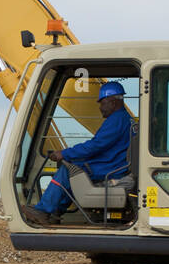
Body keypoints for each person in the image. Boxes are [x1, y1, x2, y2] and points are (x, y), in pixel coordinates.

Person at [22, 81, 132, 225]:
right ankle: (55, 212)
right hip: (114, 164)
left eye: (102, 103)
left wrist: (64, 154)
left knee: (68, 171)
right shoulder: (125, 119)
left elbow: (95, 146)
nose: (100, 107)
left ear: (112, 101)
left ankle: (44, 210)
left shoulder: (116, 120)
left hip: (110, 168)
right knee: (75, 171)